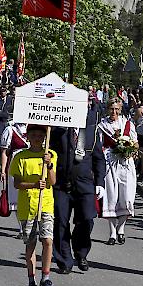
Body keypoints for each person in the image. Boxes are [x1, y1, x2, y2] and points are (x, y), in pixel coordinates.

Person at [50, 98, 106, 273]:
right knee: (60, 222)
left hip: (84, 185)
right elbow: (48, 152)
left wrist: (100, 183)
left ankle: (81, 253)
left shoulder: (89, 133)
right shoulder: (58, 132)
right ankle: (64, 260)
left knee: (86, 220)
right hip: (61, 184)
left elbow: (98, 159)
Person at [9, 124, 58, 286]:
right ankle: (31, 281)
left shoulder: (50, 155)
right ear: (28, 137)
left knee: (47, 241)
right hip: (27, 207)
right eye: (34, 135)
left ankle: (46, 278)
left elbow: (52, 181)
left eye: (40, 135)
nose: (37, 138)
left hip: (45, 205)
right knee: (30, 244)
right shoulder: (20, 157)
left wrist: (49, 165)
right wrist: (34, 185)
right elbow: (17, 184)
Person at [99, 98, 138, 245]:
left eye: (117, 109)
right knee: (111, 196)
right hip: (110, 162)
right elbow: (100, 145)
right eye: (111, 109)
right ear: (107, 109)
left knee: (127, 197)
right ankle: (112, 233)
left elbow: (135, 143)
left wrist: (131, 150)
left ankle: (121, 228)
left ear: (121, 110)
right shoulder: (102, 126)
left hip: (126, 164)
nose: (114, 112)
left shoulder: (128, 124)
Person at [0, 121, 29, 236]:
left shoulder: (34, 127)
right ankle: (22, 227)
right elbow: (4, 152)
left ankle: (30, 225)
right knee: (16, 197)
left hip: (31, 164)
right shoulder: (10, 129)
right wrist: (3, 171)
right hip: (14, 165)